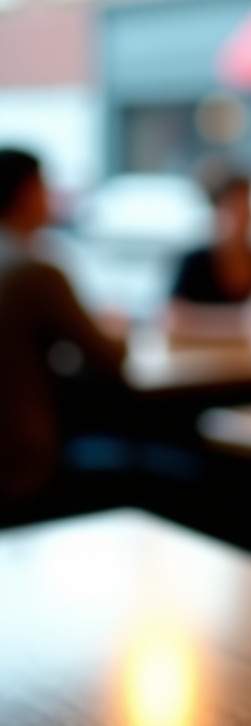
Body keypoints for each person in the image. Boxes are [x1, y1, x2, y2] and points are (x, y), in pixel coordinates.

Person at [0, 148, 127, 519]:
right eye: (45, 187)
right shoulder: (34, 271)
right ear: (28, 192)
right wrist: (115, 329)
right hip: (26, 462)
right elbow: (109, 359)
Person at [164, 159, 251, 344]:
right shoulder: (195, 264)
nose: (244, 216)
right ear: (218, 210)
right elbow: (172, 319)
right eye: (235, 206)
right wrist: (246, 321)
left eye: (248, 205)